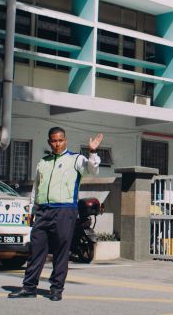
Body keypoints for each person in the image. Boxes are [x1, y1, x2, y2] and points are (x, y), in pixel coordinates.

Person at [9, 127, 103, 301]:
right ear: (49, 142)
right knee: (36, 249)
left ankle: (56, 289)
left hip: (65, 210)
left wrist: (93, 151)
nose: (57, 144)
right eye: (54, 141)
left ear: (65, 140)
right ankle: (29, 287)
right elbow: (36, 188)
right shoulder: (43, 162)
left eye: (60, 140)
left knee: (61, 250)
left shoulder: (76, 159)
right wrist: (32, 208)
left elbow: (92, 169)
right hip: (43, 210)